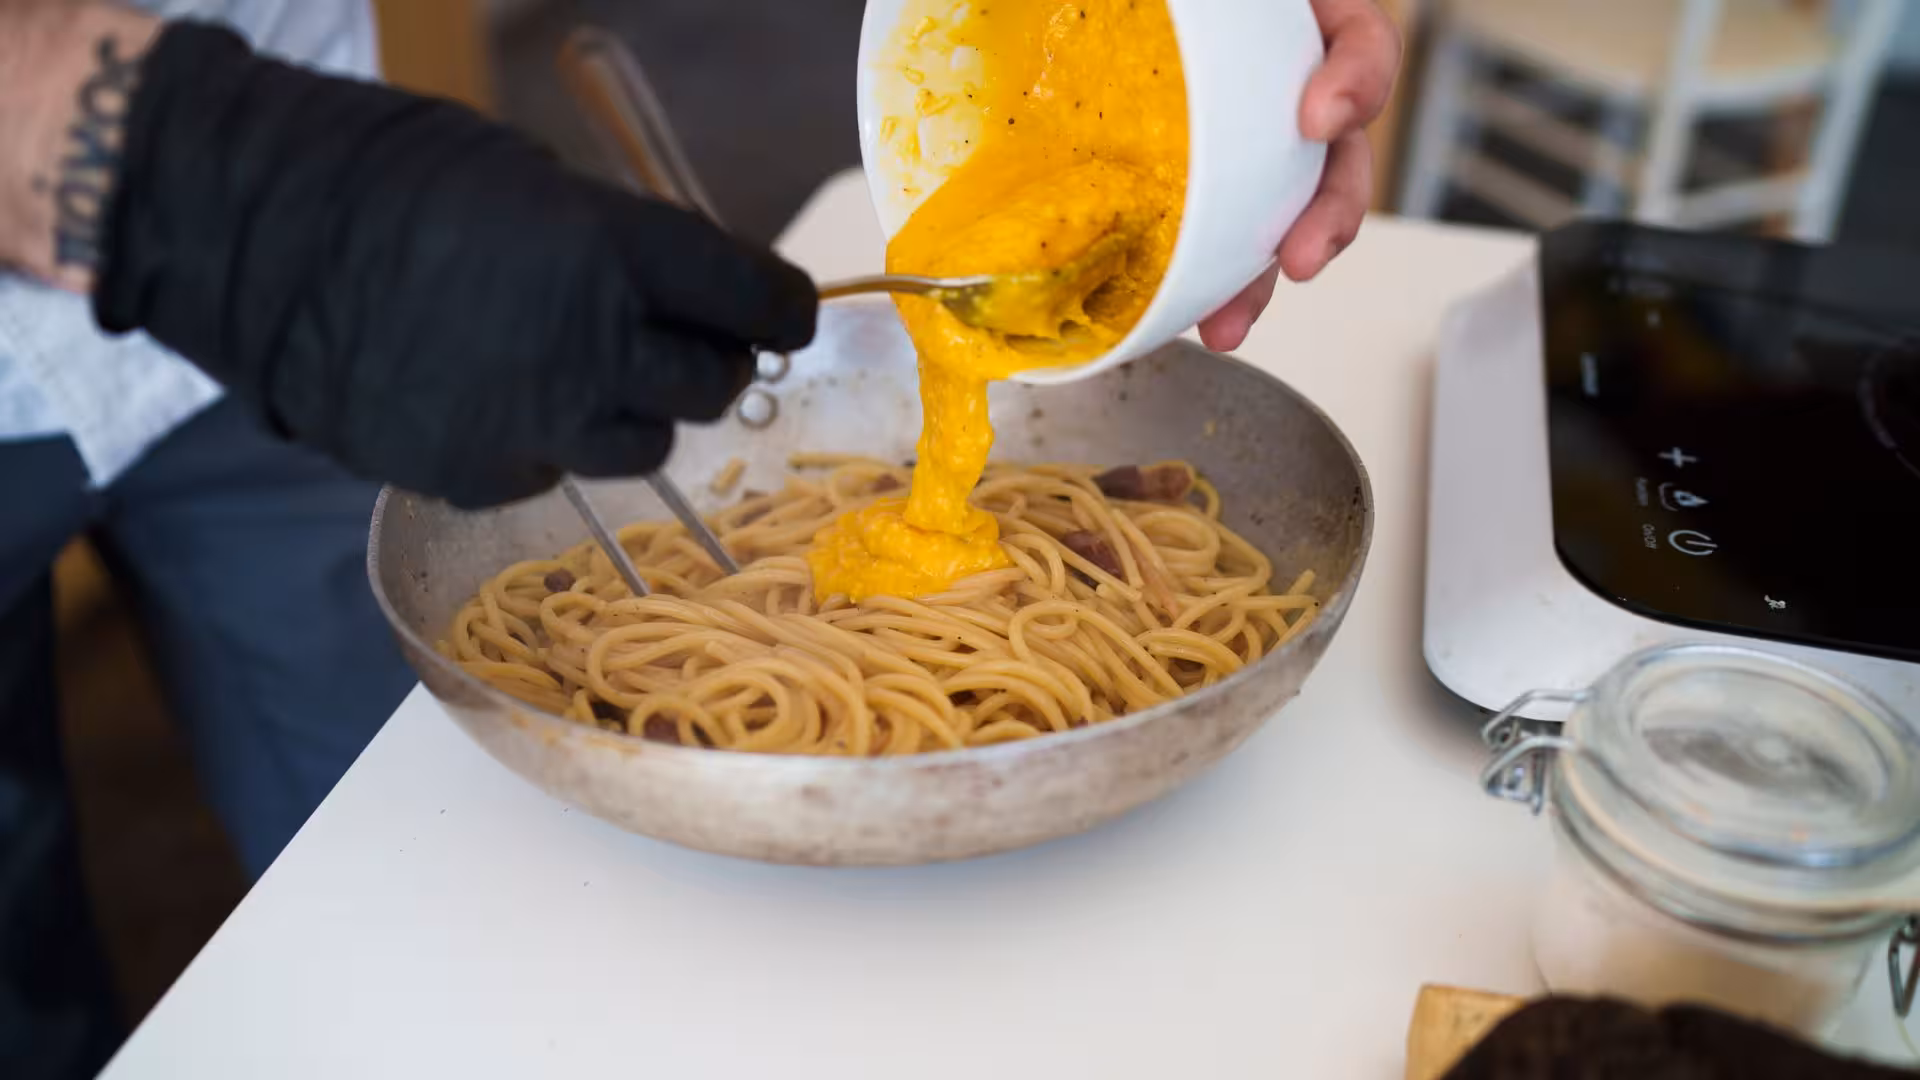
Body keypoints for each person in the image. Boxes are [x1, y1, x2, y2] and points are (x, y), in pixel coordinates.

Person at [0, 2, 1398, 1077]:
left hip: (304, 154)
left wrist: (1240, 27)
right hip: (196, 203)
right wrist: (187, 173)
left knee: (397, 877)